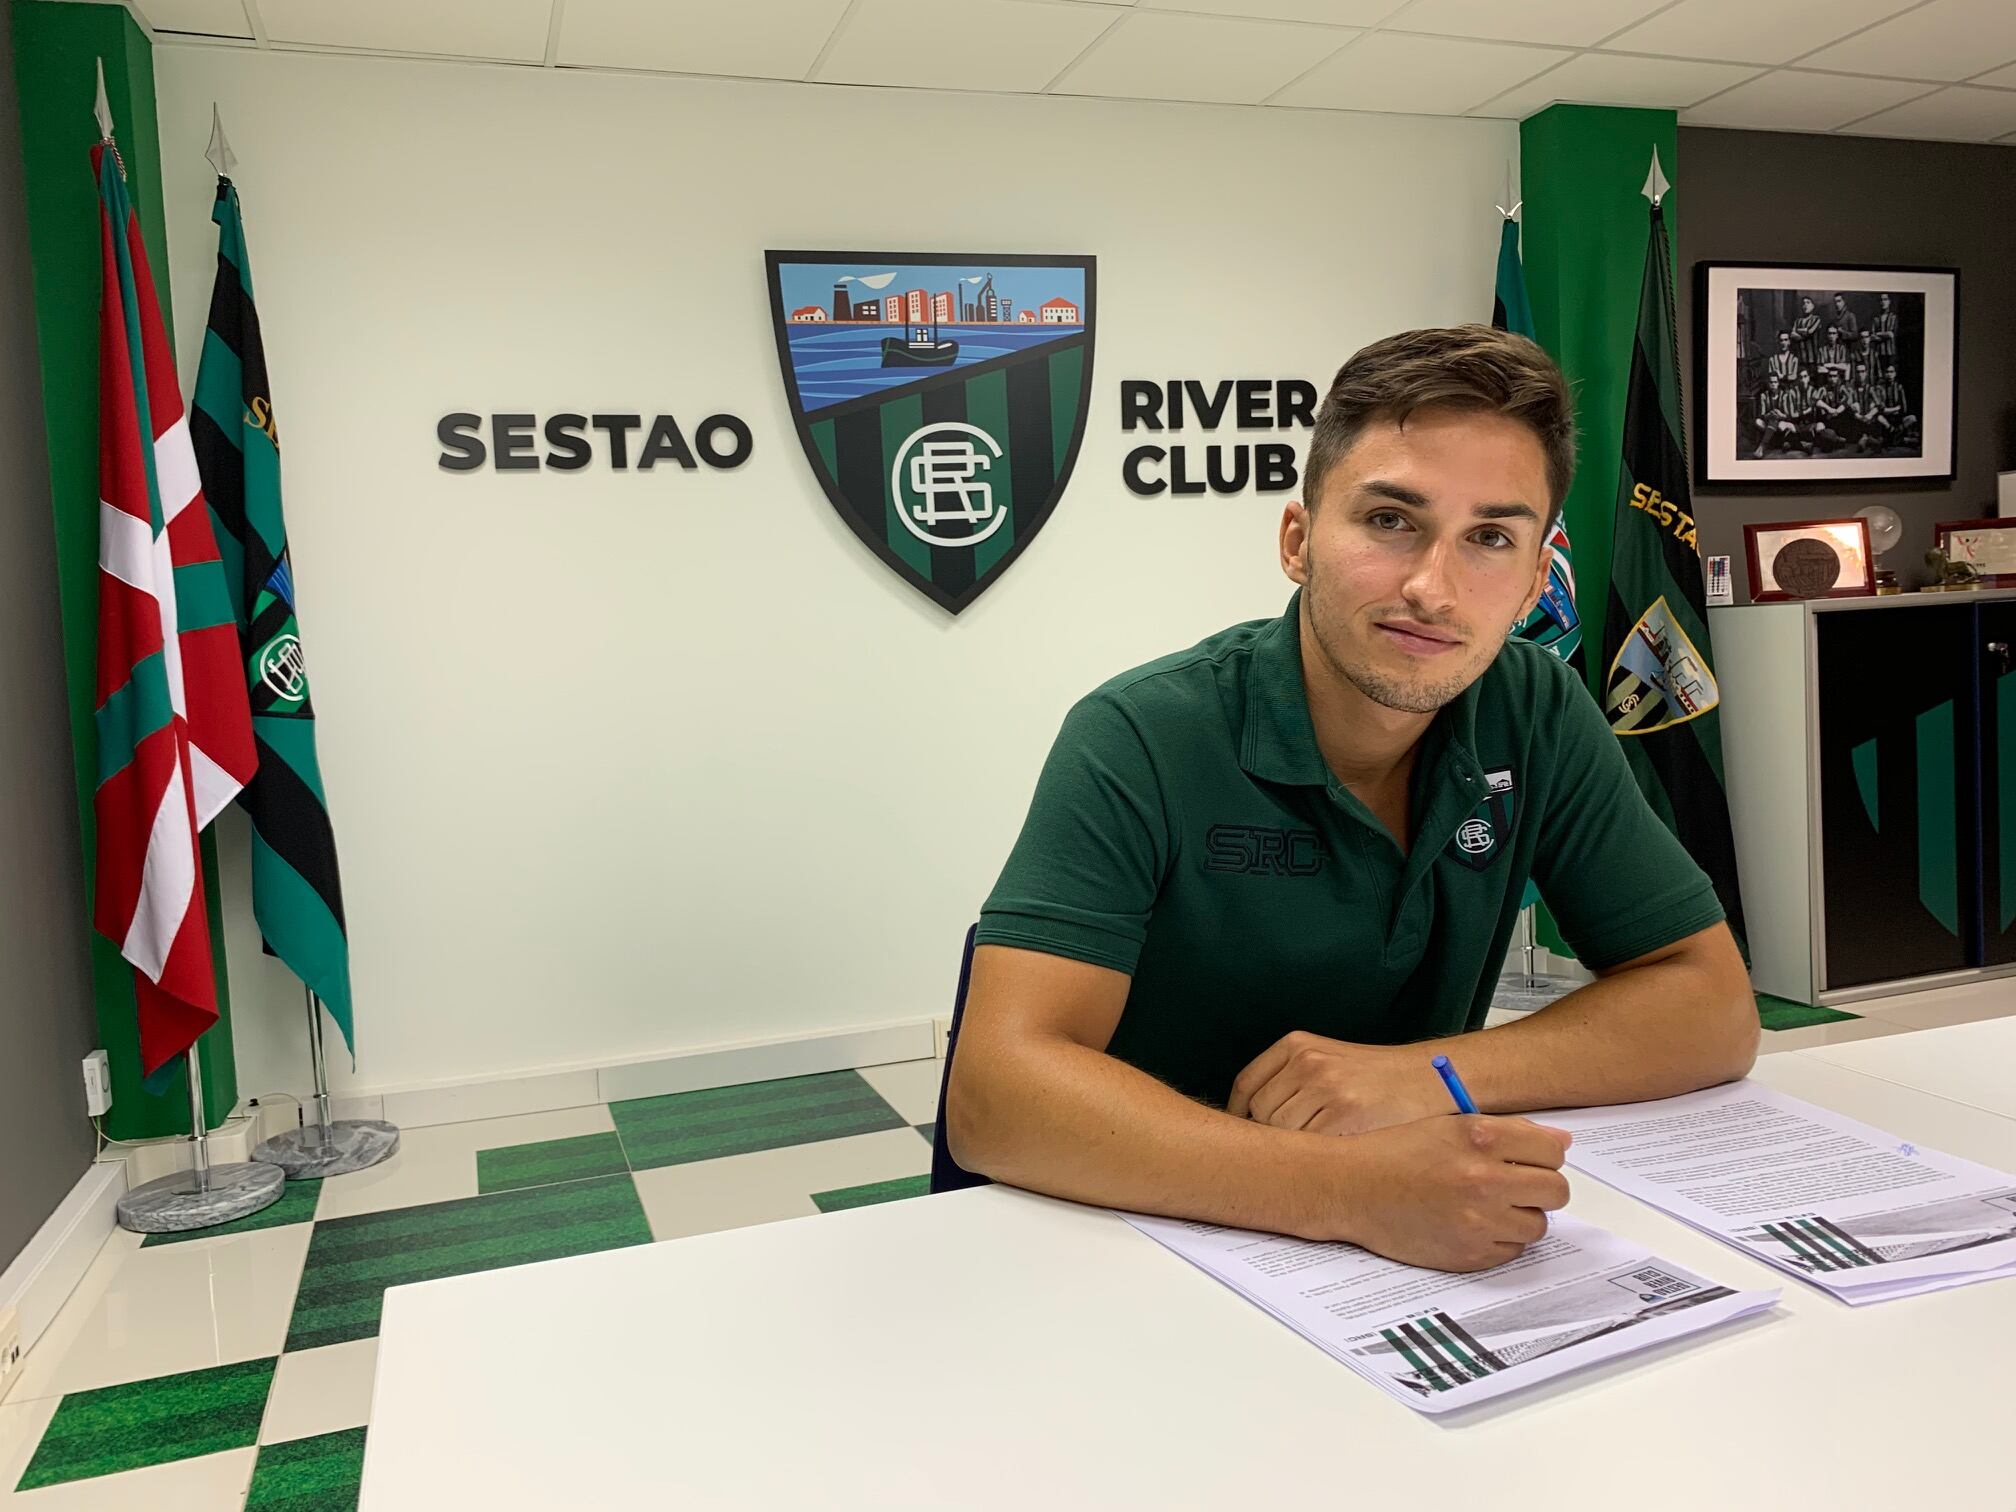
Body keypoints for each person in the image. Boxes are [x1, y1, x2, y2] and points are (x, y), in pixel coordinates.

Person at [948, 325, 1755, 1274]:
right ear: (1298, 540)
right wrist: (1344, 1189)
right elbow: (997, 1095)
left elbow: (1711, 1007)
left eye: (1490, 538)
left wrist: (1424, 1079)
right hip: (1126, 1230)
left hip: (1385, 1245)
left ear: (1540, 578)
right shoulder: (1141, 732)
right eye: (1389, 520)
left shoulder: (1534, 707)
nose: (1431, 588)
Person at [1750, 373, 1803, 457]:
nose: (1773, 384)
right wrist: (1769, 414)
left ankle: (1762, 447)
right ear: (1768, 383)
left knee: (1777, 422)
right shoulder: (1764, 395)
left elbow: (1787, 416)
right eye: (1771, 382)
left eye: (1775, 382)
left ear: (1778, 383)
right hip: (1769, 422)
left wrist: (1779, 414)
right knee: (1758, 421)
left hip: (1781, 424)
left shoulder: (1784, 395)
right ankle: (1771, 442)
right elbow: (1762, 415)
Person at [1791, 296, 1823, 370]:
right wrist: (1804, 334)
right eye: (1804, 303)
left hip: (1813, 359)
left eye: (1808, 302)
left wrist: (1798, 331)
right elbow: (1792, 335)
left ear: (1813, 306)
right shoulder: (1798, 320)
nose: (1805, 305)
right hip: (1800, 358)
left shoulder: (1816, 319)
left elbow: (1810, 331)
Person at [1870, 292, 1899, 364]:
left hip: (1891, 353)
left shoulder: (1893, 317)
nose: (1883, 302)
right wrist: (1885, 335)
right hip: (1878, 353)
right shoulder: (1876, 318)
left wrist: (1878, 334)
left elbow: (1891, 334)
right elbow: (1872, 336)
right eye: (1881, 300)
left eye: (1885, 299)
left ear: (1889, 301)